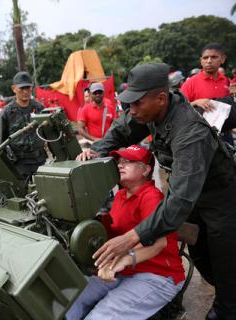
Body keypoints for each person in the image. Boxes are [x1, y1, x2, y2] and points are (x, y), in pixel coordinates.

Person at [77, 63, 236, 320]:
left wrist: (131, 238)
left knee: (226, 263)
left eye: (137, 104)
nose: (132, 110)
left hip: (222, 200)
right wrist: (98, 151)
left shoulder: (189, 131)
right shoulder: (150, 112)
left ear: (161, 98)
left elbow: (180, 200)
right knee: (202, 255)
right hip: (196, 197)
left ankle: (226, 309)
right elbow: (121, 130)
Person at [67, 145, 184, 320]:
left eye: (128, 161)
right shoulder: (122, 195)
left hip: (158, 274)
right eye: (119, 161)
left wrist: (125, 259)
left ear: (146, 170)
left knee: (101, 316)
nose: (120, 165)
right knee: (68, 303)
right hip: (125, 270)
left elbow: (160, 243)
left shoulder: (151, 196)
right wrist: (89, 158)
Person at [0, 71, 46, 178]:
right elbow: (0, 143)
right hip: (19, 164)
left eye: (28, 88)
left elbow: (49, 133)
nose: (25, 91)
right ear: (14, 89)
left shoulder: (39, 108)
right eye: (21, 88)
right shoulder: (7, 112)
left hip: (40, 160)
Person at [181, 43, 230, 111]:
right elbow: (179, 109)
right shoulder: (189, 83)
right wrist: (195, 103)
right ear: (201, 61)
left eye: (214, 57)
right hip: (199, 121)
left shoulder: (227, 81)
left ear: (222, 59)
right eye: (205, 58)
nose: (209, 61)